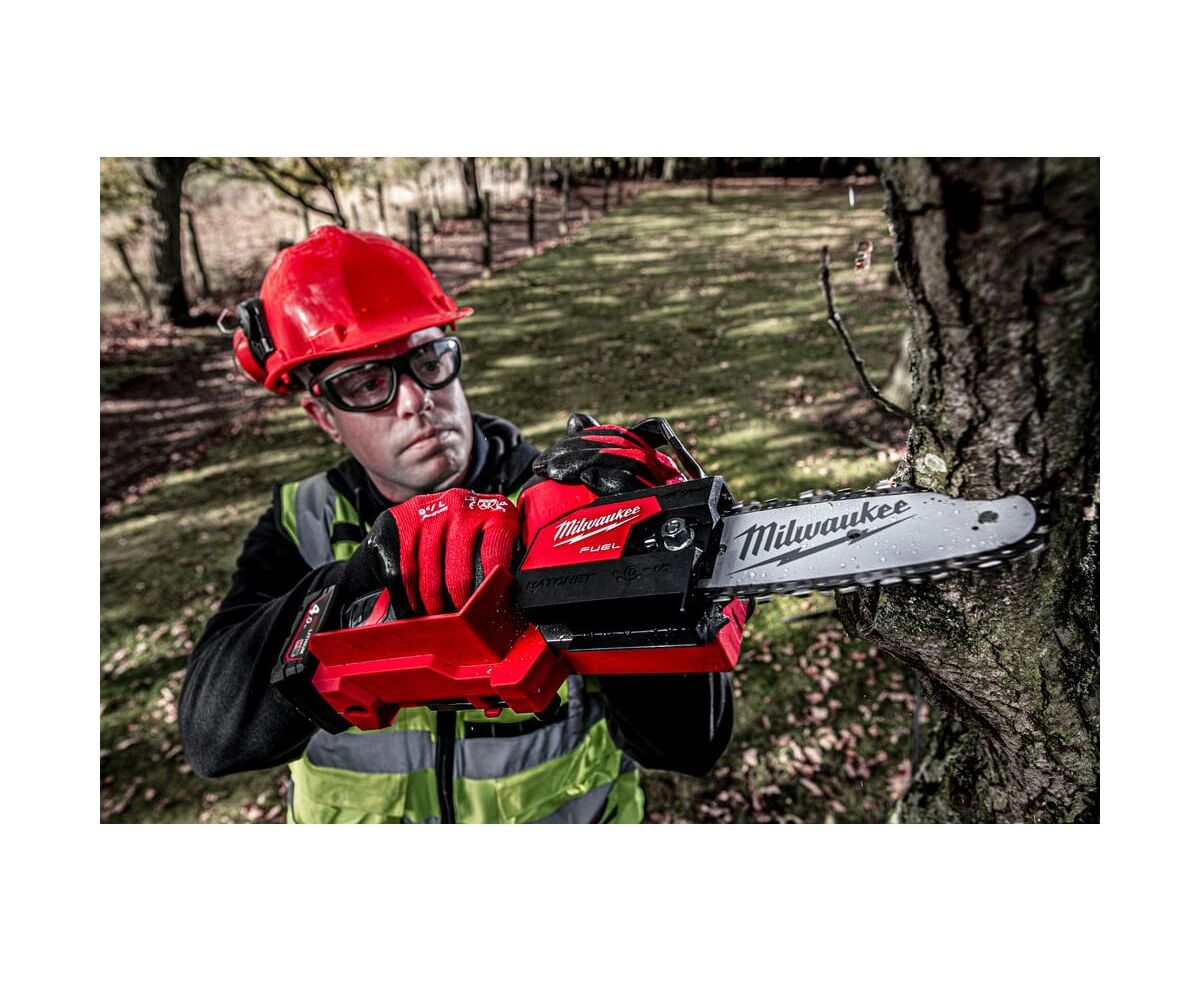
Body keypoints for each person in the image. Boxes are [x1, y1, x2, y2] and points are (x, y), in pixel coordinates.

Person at [179, 226, 740, 823]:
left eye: (427, 360)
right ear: (323, 416)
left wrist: (638, 571)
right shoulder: (304, 523)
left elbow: (688, 745)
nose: (415, 399)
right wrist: (359, 585)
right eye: (367, 383)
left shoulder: (561, 503)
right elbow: (212, 737)